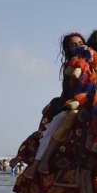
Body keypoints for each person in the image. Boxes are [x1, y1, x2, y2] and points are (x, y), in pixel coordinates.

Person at [32, 32, 87, 174]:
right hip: (73, 104)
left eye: (81, 43)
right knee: (56, 127)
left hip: (92, 102)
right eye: (74, 45)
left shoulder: (96, 62)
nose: (78, 47)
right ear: (68, 48)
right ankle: (41, 162)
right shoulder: (70, 66)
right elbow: (70, 90)